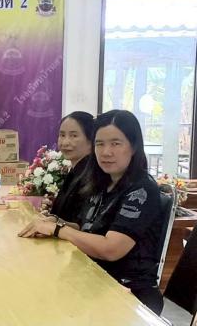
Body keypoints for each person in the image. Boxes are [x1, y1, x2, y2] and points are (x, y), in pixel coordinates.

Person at [18, 110, 165, 315]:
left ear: (133, 146)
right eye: (99, 144)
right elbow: (87, 228)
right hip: (94, 278)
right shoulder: (103, 182)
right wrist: (55, 222)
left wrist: (59, 230)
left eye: (115, 143)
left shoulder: (141, 190)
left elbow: (111, 249)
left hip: (128, 292)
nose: (106, 152)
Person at [48, 111, 94, 221]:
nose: (65, 142)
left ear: (91, 140)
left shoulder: (91, 176)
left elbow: (80, 223)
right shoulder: (75, 171)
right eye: (62, 135)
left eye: (74, 136)